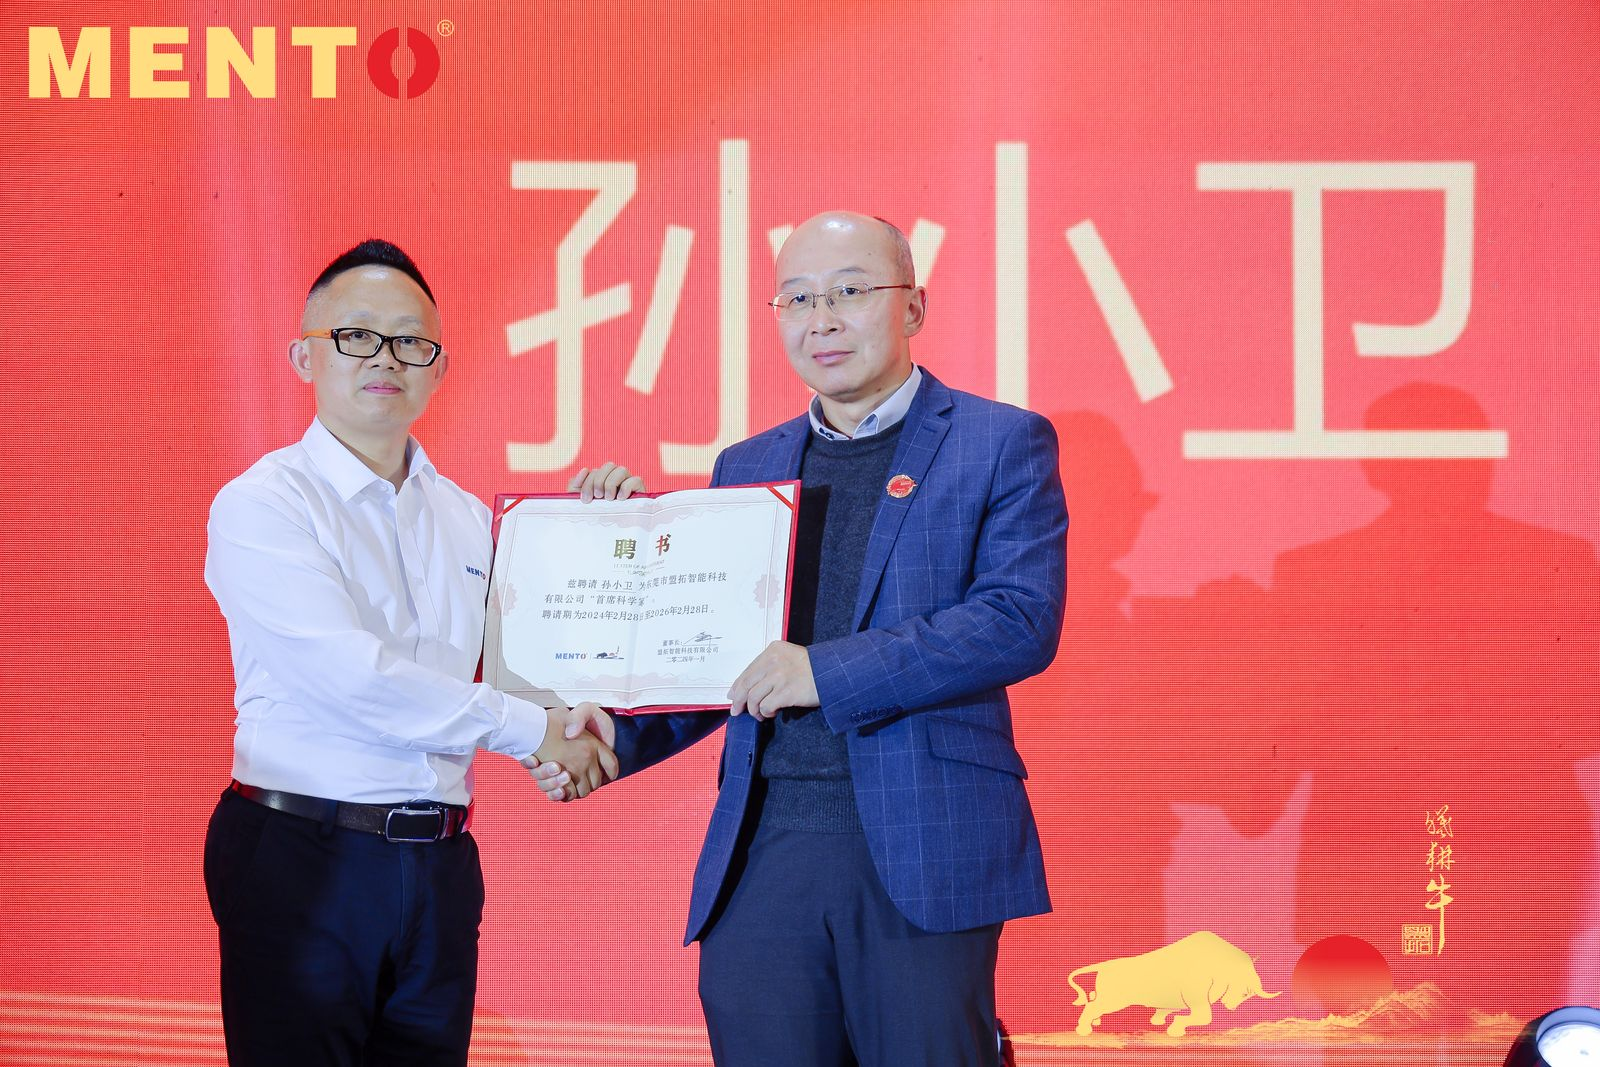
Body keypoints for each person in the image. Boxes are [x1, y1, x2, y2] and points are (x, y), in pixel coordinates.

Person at [536, 212, 1068, 1066]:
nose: (822, 319)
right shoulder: (747, 465)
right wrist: (613, 735)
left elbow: (1017, 619)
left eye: (850, 291)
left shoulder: (999, 441)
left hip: (922, 846)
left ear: (913, 306)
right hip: (763, 847)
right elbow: (722, 658)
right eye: (797, 298)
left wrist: (825, 672)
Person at [203, 239, 630, 1066]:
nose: (386, 358)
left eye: (410, 341)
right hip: (303, 856)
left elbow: (519, 670)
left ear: (439, 369)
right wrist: (536, 732)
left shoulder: (467, 517)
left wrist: (613, 531)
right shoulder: (263, 503)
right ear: (305, 356)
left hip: (439, 866)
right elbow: (347, 678)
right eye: (357, 335)